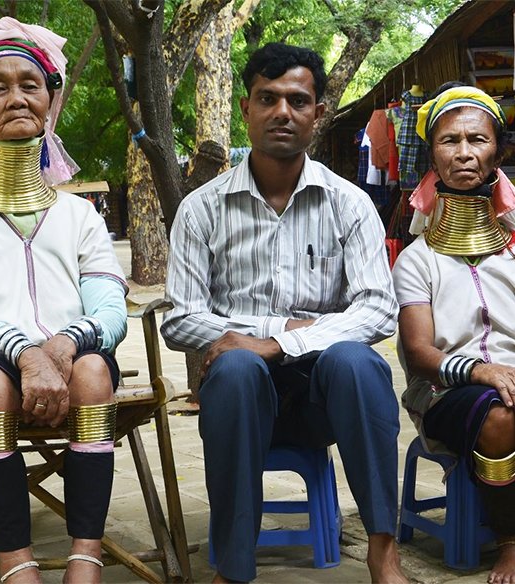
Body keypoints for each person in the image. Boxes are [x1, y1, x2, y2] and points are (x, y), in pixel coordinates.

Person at [161, 43, 408, 584]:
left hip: (325, 396)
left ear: (318, 114)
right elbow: (180, 318)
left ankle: (383, 551)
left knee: (358, 364)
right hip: (239, 400)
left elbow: (377, 308)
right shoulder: (202, 208)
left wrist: (280, 343)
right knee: (235, 368)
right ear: (245, 109)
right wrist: (271, 334)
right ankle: (233, 564)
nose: (282, 112)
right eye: (267, 98)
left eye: (298, 101)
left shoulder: (349, 203)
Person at [0, 17, 128, 584]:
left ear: (49, 104)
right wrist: (25, 355)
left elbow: (111, 308)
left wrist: (61, 345)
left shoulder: (80, 215)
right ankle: (17, 564)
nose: (17, 97)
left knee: (92, 373)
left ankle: (85, 556)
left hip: (69, 352)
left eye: (30, 84)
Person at [392, 83, 515, 584]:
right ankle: (511, 548)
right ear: (432, 155)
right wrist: (483, 371)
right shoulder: (417, 260)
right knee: (499, 416)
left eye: (477, 140)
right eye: (449, 141)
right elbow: (418, 354)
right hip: (448, 392)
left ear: (497, 151)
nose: (463, 152)